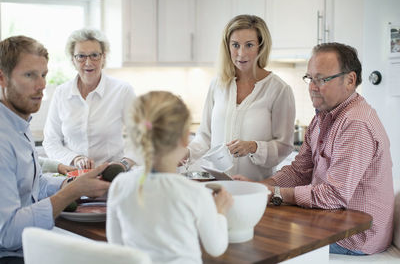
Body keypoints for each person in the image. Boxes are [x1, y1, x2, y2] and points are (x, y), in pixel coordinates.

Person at [234, 42, 394, 255]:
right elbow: (299, 171)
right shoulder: (322, 117)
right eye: (310, 78)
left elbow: (333, 196)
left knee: (259, 239)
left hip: (356, 237)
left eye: (322, 79)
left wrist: (275, 193)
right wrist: (259, 188)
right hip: (332, 219)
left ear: (350, 80)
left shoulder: (356, 124)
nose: (312, 86)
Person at [0, 35, 110, 263]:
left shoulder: (18, 124)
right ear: (2, 78)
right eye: (29, 75)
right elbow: (8, 234)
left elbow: (34, 185)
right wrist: (70, 192)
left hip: (29, 244)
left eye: (43, 75)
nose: (41, 85)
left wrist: (71, 183)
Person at [107, 91, 233, 263]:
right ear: (185, 137)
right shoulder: (195, 193)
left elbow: (116, 245)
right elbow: (216, 247)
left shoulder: (119, 185)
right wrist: (219, 211)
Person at [187, 14, 295, 181]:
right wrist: (187, 153)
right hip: (217, 185)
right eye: (235, 45)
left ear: (261, 47)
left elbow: (285, 146)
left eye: (249, 45)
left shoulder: (279, 90)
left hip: (254, 187)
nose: (241, 53)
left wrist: (254, 147)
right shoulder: (218, 84)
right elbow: (205, 135)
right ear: (227, 46)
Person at [43, 28, 135, 171]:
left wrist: (124, 164)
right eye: (81, 56)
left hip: (112, 177)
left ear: (103, 57)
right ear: (73, 60)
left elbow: (141, 137)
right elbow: (50, 141)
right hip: (74, 178)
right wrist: (75, 158)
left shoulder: (122, 91)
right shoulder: (61, 93)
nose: (88, 62)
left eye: (94, 55)